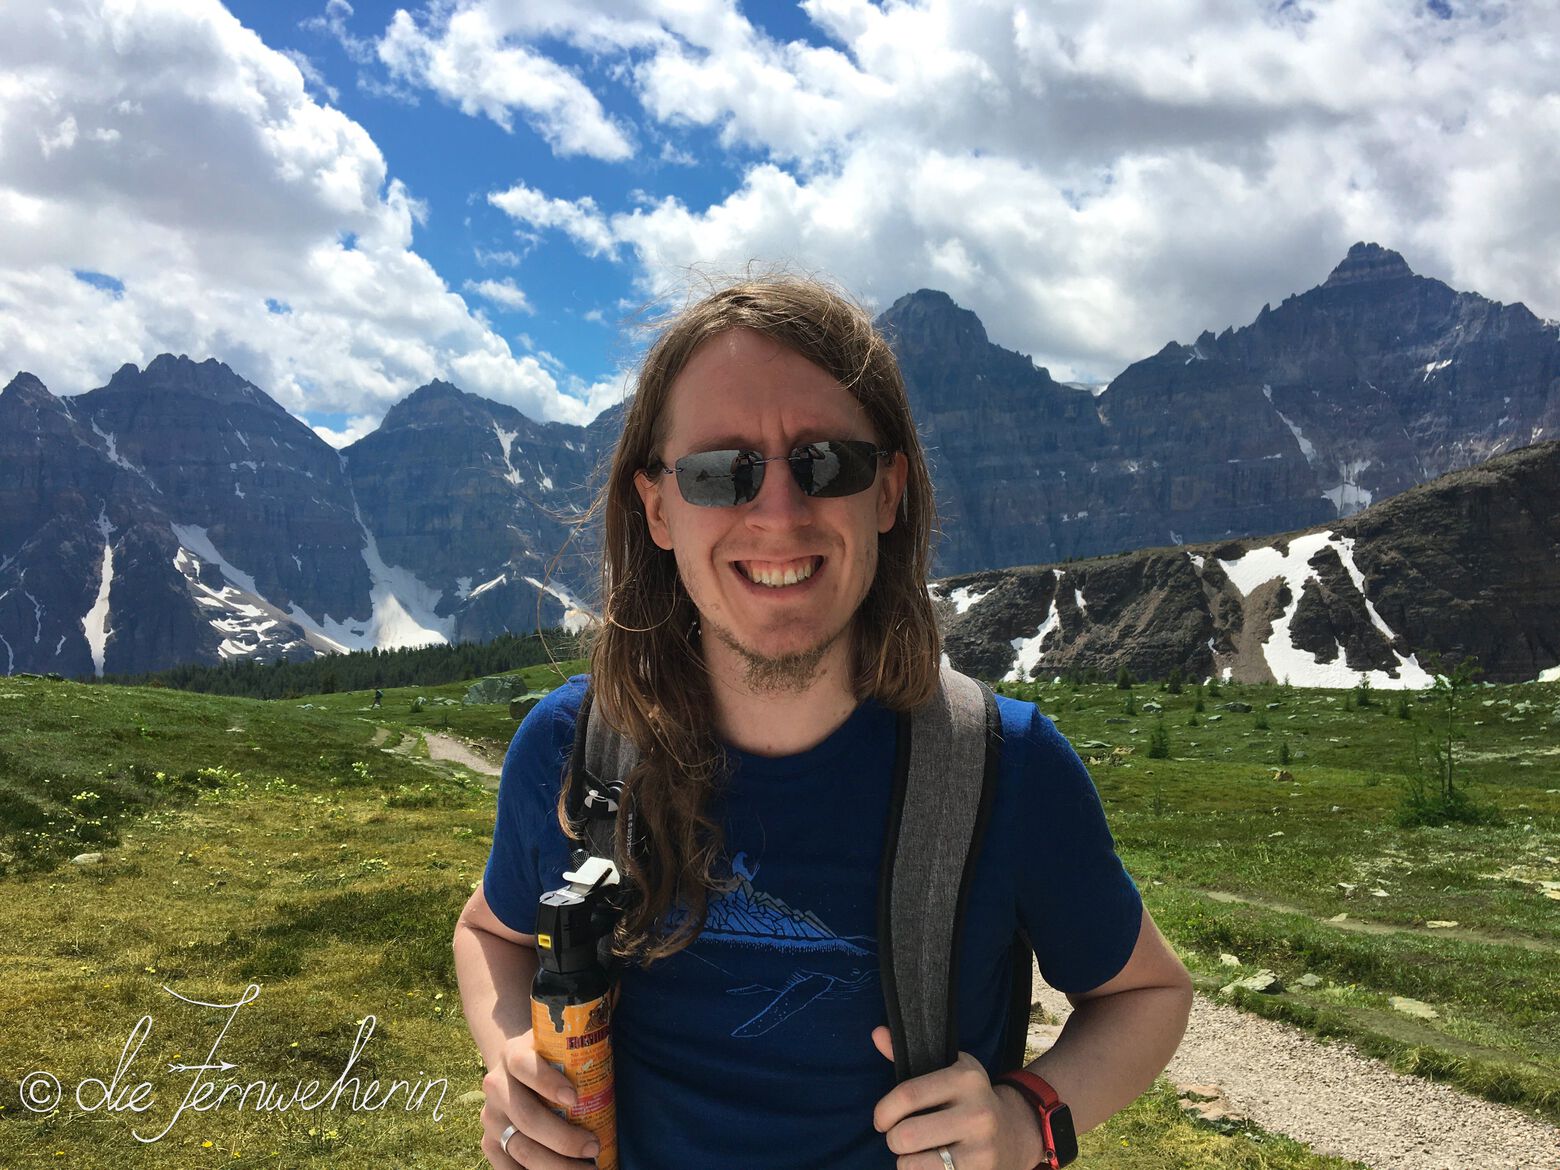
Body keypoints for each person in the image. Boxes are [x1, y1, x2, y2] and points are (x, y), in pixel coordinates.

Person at [454, 276, 1192, 1170]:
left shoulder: (1007, 766)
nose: (778, 513)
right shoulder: (568, 749)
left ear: (887, 493)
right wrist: (516, 1071)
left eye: (826, 464)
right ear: (656, 507)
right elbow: (489, 932)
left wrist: (1028, 1118)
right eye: (720, 471)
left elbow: (1148, 993)